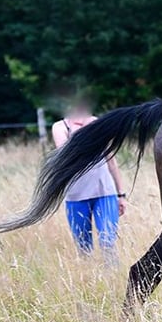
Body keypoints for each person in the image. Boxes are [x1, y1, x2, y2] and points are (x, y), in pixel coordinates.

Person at [51, 100, 127, 267]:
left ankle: (113, 278)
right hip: (76, 196)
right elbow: (65, 153)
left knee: (108, 241)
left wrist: (121, 194)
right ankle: (89, 282)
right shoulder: (60, 127)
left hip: (105, 193)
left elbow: (111, 161)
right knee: (84, 247)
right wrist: (80, 130)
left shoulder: (97, 123)